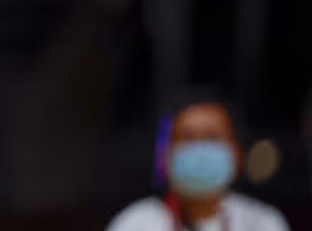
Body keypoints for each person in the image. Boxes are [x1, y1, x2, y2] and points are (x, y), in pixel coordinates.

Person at [107, 99, 289, 231]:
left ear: (237, 155)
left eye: (211, 138)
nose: (199, 150)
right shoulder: (135, 224)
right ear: (165, 157)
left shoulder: (263, 223)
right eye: (187, 139)